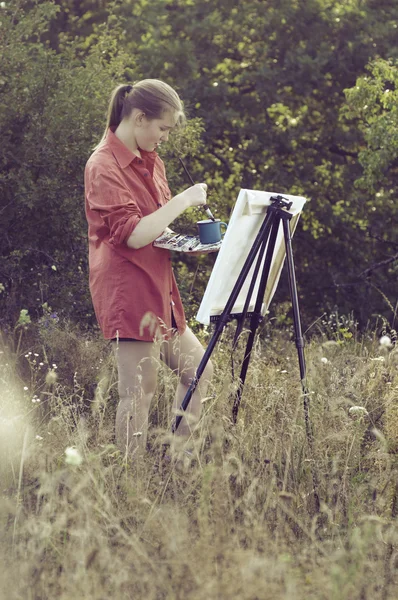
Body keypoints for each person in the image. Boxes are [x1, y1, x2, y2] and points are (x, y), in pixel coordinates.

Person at [84, 79, 213, 458]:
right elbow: (132, 235)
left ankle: (179, 462)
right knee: (140, 391)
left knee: (198, 371)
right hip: (129, 288)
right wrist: (186, 200)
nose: (165, 137)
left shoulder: (150, 161)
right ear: (140, 118)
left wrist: (188, 243)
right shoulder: (103, 165)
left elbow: (156, 227)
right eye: (163, 128)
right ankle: (130, 484)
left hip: (159, 286)